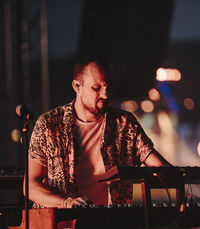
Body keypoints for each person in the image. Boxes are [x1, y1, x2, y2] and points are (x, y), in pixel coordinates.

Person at [26, 54, 171, 209]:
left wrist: (181, 184)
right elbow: (30, 185)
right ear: (77, 86)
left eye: (110, 87)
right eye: (96, 88)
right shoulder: (49, 125)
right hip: (63, 223)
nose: (105, 94)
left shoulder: (124, 123)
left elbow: (163, 170)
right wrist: (66, 203)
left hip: (114, 225)